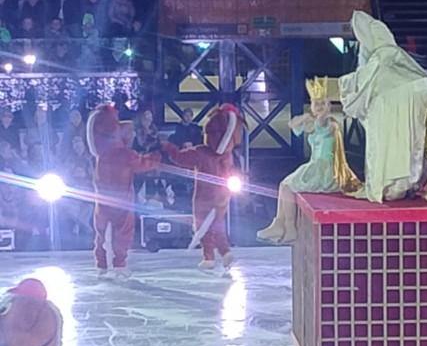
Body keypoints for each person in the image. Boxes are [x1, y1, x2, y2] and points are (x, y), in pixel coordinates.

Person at [338, 11, 427, 202]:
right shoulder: (396, 52)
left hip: (395, 102)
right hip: (421, 94)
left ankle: (391, 185)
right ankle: (408, 183)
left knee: (387, 134)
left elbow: (363, 84)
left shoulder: (380, 57)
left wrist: (342, 83)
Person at [257, 78, 360, 243]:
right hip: (315, 166)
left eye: (322, 103)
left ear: (328, 105)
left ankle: (289, 227)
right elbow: (292, 125)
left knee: (287, 187)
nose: (318, 106)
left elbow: (320, 122)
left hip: (326, 170)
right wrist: (305, 116)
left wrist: (321, 113)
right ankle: (280, 224)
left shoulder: (329, 123)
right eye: (315, 103)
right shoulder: (314, 123)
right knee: (284, 185)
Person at [162, 104, 246, 270]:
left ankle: (209, 257)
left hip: (204, 196)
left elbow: (180, 158)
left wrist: (168, 146)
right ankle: (225, 251)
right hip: (222, 196)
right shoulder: (228, 156)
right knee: (218, 224)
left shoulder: (202, 152)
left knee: (202, 225)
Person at [87, 104, 161, 277]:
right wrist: (157, 156)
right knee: (122, 231)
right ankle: (119, 265)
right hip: (122, 201)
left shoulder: (101, 156)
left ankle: (102, 264)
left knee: (102, 232)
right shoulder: (124, 154)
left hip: (102, 201)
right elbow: (143, 164)